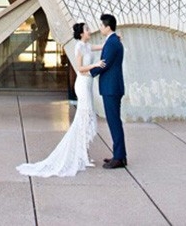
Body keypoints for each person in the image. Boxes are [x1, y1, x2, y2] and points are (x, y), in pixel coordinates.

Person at [16, 22, 104, 177]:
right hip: (83, 84)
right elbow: (80, 69)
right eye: (87, 29)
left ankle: (83, 154)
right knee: (84, 117)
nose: (90, 31)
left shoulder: (87, 45)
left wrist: (113, 39)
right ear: (81, 33)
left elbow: (100, 46)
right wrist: (95, 64)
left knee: (85, 118)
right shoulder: (79, 47)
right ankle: (82, 155)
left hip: (88, 84)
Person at [85, 13, 127, 169]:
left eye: (102, 25)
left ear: (108, 26)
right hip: (112, 87)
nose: (100, 28)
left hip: (111, 88)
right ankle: (119, 155)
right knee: (114, 121)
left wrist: (88, 73)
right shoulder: (113, 41)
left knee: (114, 122)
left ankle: (119, 157)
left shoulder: (112, 43)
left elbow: (105, 64)